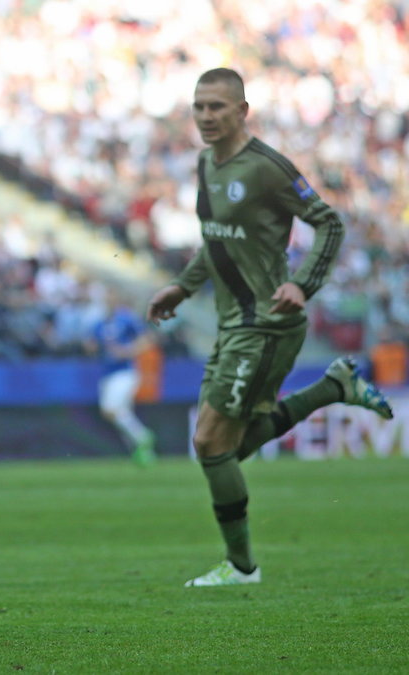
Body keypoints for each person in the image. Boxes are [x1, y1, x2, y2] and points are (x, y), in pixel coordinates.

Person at [146, 68, 393, 588]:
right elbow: (215, 242)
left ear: (242, 110)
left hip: (267, 322)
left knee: (211, 443)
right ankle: (334, 387)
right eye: (199, 107)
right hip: (232, 323)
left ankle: (241, 568)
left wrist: (303, 284)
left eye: (217, 106)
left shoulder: (267, 168)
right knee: (224, 451)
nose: (207, 117)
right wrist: (183, 287)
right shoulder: (204, 163)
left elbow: (329, 221)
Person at [90, 288, 156, 466]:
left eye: (111, 297)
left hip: (125, 372)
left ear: (117, 300)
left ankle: (143, 436)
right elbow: (92, 346)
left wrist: (128, 351)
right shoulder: (98, 324)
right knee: (123, 414)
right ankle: (145, 455)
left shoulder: (126, 319)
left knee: (110, 411)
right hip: (107, 374)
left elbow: (147, 339)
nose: (108, 301)